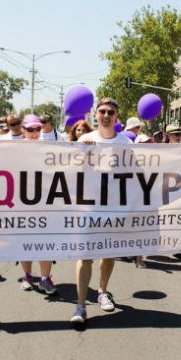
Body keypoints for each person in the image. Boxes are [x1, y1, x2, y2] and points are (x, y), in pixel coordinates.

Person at [70, 97, 132, 324]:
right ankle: (80, 305)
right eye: (102, 111)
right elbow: (70, 172)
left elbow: (135, 175)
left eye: (111, 112)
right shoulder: (85, 139)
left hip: (113, 209)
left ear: (116, 116)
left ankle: (103, 291)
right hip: (87, 209)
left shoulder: (126, 143)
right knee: (84, 256)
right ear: (96, 114)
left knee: (108, 253)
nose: (106, 115)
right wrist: (83, 155)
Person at [17, 114, 58, 295]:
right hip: (22, 204)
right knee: (25, 242)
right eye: (30, 129)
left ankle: (45, 279)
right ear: (23, 131)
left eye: (37, 129)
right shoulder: (12, 149)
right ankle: (27, 276)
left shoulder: (50, 149)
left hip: (45, 202)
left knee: (46, 241)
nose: (34, 133)